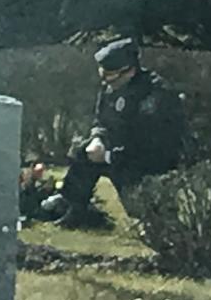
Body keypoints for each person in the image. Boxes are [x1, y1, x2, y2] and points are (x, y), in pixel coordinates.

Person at [43, 37, 188, 229]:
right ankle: (73, 209)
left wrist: (110, 156)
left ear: (129, 71)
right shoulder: (112, 89)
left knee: (149, 214)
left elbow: (152, 145)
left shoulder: (155, 95)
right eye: (102, 73)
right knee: (83, 154)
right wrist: (97, 138)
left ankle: (164, 226)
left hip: (145, 164)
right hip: (116, 155)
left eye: (111, 75)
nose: (105, 80)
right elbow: (101, 120)